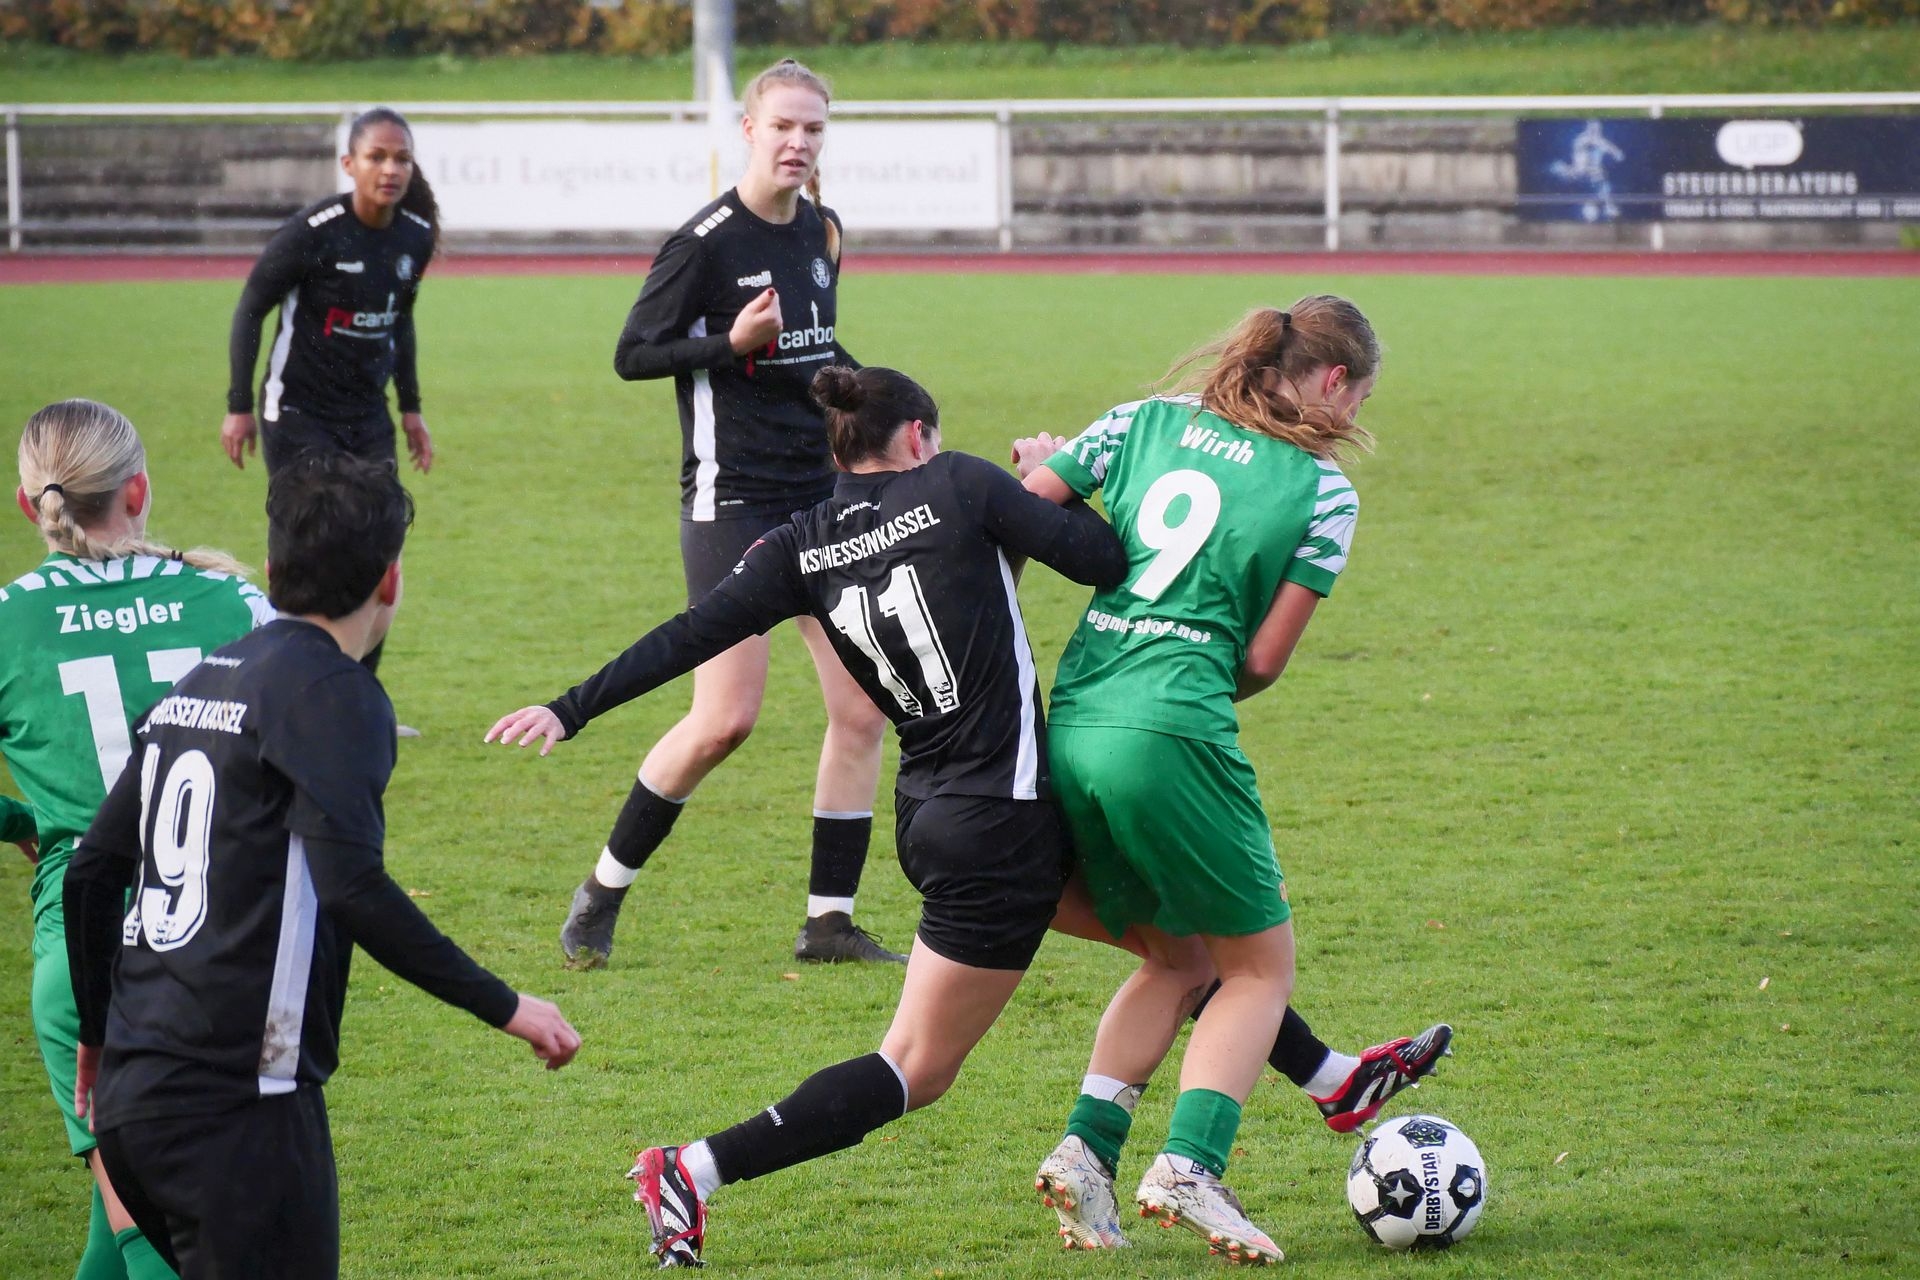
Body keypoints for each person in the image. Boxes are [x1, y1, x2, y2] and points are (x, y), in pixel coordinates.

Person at [486, 365, 1130, 1267]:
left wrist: (570, 707)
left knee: (1189, 949)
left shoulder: (801, 542)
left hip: (932, 814)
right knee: (915, 1068)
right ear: (917, 437)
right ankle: (692, 1168)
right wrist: (1055, 475)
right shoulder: (962, 483)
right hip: (1002, 823)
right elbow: (1104, 561)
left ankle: (1303, 1087)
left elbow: (690, 635)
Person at [64, 452, 581, 1280]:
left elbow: (91, 872)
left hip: (134, 1099)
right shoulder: (337, 693)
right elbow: (353, 886)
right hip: (237, 1110)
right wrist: (508, 1005)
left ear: (271, 574)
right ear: (390, 580)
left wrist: (96, 1035)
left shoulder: (200, 679)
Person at [1016, 297, 1442, 1264]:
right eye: (1360, 395)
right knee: (1257, 969)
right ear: (1334, 379)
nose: (1355, 413)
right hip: (1175, 731)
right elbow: (1261, 662)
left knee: (1178, 959)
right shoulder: (1323, 491)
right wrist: (1189, 676)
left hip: (1072, 719)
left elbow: (1024, 511)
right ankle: (1189, 1167)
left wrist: (1049, 473)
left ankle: (1087, 1153)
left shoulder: (1139, 420)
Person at [560, 57, 900, 969]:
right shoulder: (704, 243)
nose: (798, 142)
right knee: (724, 720)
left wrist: (873, 399)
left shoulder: (823, 230)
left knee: (863, 707)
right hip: (734, 499)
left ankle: (828, 923)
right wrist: (729, 342)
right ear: (748, 130)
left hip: (822, 493)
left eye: (813, 128)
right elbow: (633, 354)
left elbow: (816, 348)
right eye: (782, 125)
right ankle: (600, 894)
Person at [1, 398, 275, 1280]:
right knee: (138, 1230)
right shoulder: (232, 598)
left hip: (83, 961)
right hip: (218, 948)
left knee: (147, 1230)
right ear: (139, 489)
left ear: (28, 504)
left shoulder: (8, 620)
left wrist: (21, 822)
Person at [219, 104, 437, 702]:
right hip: (298, 413)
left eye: (401, 158)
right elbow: (251, 307)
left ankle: (355, 698)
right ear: (349, 164)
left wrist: (410, 408)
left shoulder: (414, 237)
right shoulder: (314, 231)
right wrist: (239, 405)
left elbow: (400, 322)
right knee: (306, 550)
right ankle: (279, 692)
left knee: (381, 547)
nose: (390, 169)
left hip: (367, 417)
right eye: (376, 157)